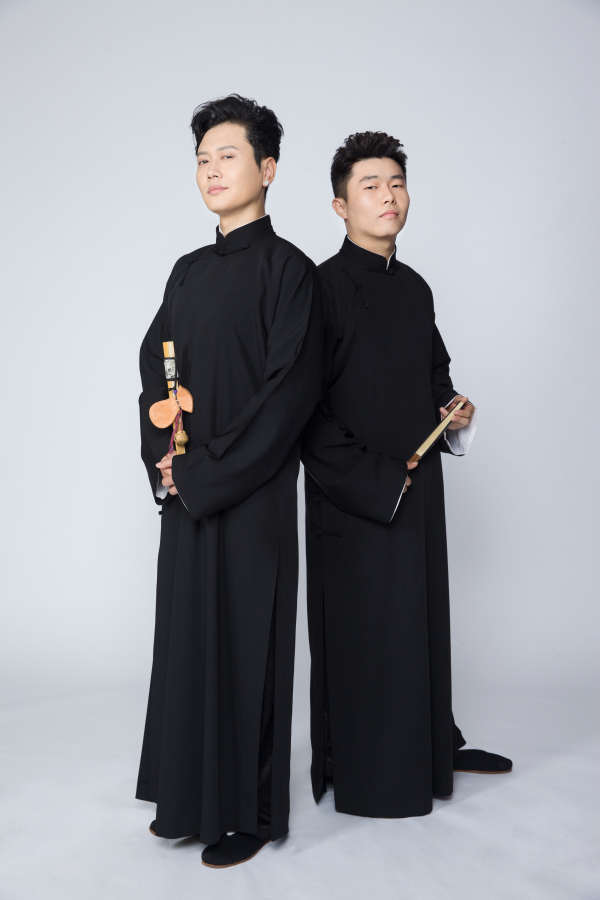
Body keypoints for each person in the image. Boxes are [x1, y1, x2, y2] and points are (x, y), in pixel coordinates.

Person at [301, 130, 511, 820]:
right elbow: (305, 412)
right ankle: (370, 774)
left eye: (396, 183)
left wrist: (453, 413)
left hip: (419, 491)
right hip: (354, 499)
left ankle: (431, 747)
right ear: (340, 206)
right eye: (370, 185)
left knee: (418, 621)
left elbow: (434, 376)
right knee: (367, 630)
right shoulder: (319, 290)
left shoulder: (416, 288)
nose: (388, 196)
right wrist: (376, 480)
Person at [135, 94, 322, 867]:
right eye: (202, 160)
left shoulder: (292, 273)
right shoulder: (186, 272)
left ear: (268, 168)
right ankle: (187, 800)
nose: (212, 171)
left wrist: (205, 470)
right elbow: (154, 370)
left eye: (228, 156)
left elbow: (288, 396)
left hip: (252, 494)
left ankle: (251, 814)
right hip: (189, 488)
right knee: (187, 643)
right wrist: (166, 461)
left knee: (250, 647)